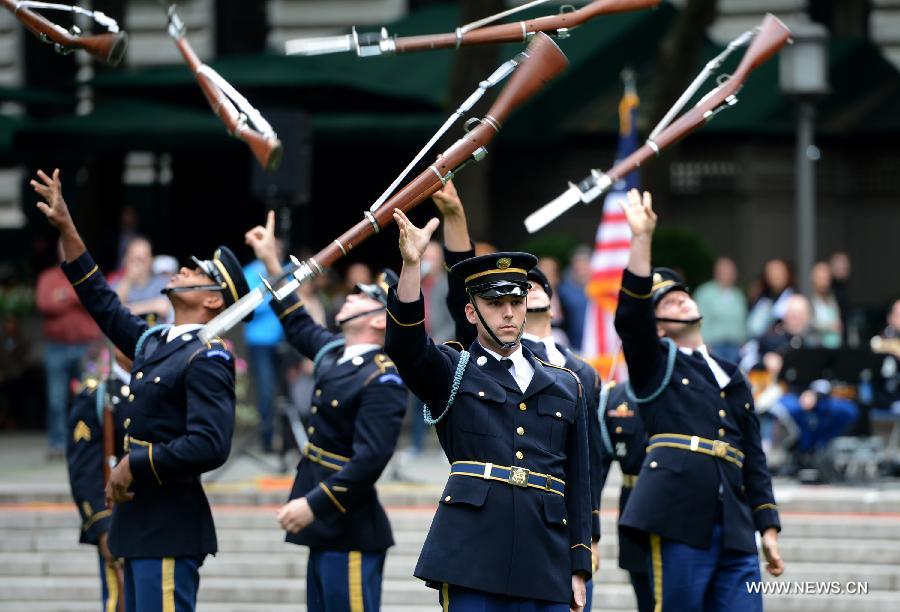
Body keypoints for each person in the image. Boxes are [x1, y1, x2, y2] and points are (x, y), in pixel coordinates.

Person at [32, 167, 248, 611]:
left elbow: (210, 443)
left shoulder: (207, 356)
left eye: (196, 271)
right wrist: (68, 228)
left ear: (213, 301)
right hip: (142, 528)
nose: (184, 269)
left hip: (168, 528)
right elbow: (103, 302)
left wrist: (137, 462)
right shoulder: (157, 344)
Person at [387, 207, 592, 611]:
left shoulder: (566, 383)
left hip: (545, 557)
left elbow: (578, 483)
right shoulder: (453, 369)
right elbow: (406, 348)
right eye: (495, 303)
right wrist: (411, 267)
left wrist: (579, 565)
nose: (509, 312)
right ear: (471, 312)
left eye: (516, 301)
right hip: (472, 553)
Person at [614, 188, 783, 610]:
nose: (681, 300)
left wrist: (768, 524)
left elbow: (754, 454)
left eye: (682, 295)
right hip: (678, 512)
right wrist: (641, 239)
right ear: (659, 326)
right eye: (668, 302)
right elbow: (631, 320)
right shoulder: (656, 363)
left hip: (735, 520)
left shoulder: (732, 373)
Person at [245, 211, 407, 612]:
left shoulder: (383, 378)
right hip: (326, 527)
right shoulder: (337, 353)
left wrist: (313, 504)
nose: (349, 295)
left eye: (361, 296)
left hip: (347, 525)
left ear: (377, 320)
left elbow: (370, 460)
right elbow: (296, 320)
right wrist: (271, 263)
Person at [65, 346, 131, 612]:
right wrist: (102, 526)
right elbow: (84, 470)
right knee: (119, 602)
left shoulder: (158, 389)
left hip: (155, 522)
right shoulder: (97, 395)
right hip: (117, 517)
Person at [35, 240, 103, 458]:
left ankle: (92, 441)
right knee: (56, 399)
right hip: (56, 347)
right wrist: (75, 296)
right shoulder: (48, 277)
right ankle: (58, 444)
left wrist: (64, 296)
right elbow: (45, 304)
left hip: (87, 347)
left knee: (90, 396)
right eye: (62, 247)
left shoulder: (88, 272)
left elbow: (95, 298)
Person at [596, 382, 653, 612]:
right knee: (643, 593)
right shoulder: (614, 396)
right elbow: (597, 471)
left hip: (675, 504)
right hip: (633, 505)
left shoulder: (683, 387)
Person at [242, 240, 288, 452]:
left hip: (285, 341)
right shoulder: (251, 271)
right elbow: (250, 307)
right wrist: (272, 288)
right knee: (266, 391)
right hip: (260, 342)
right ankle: (267, 440)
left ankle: (288, 441)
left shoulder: (284, 269)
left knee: (286, 394)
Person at [693, 257, 747, 363]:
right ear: (716, 272)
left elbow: (742, 319)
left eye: (731, 271)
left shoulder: (738, 294)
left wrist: (743, 341)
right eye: (725, 271)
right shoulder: (704, 292)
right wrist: (702, 343)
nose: (728, 274)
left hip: (735, 346)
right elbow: (698, 318)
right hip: (713, 345)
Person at [113, 236, 172, 323]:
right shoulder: (115, 283)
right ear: (125, 260)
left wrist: (126, 308)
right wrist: (128, 280)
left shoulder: (163, 283)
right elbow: (112, 311)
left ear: (151, 260)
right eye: (134, 259)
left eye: (142, 259)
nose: (138, 264)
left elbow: (164, 308)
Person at [746, 258, 794, 340]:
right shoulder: (761, 298)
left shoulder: (794, 299)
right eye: (771, 272)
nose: (775, 275)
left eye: (779, 272)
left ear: (787, 274)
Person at [809, 261, 842, 349]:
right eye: (821, 278)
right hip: (815, 347)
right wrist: (828, 326)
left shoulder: (833, 299)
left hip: (834, 346)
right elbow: (807, 325)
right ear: (814, 278)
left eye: (826, 278)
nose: (824, 282)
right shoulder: (808, 300)